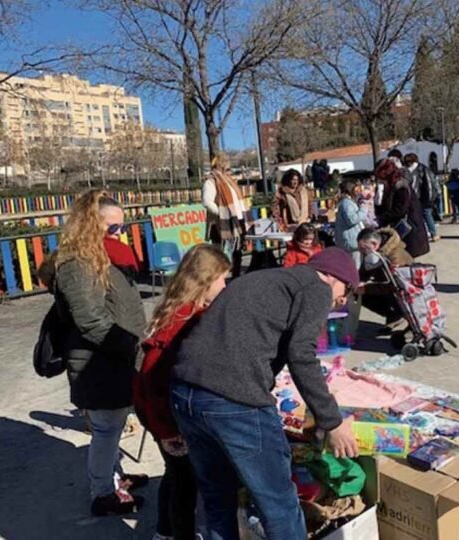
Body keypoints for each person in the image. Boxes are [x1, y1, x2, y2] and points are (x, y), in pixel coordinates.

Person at [170, 247, 360, 540]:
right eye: (346, 289)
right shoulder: (316, 288)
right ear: (333, 277)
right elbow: (302, 354)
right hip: (232, 400)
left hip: (185, 393)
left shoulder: (266, 279)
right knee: (279, 503)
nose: (343, 299)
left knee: (217, 496)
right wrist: (332, 421)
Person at [53, 190, 147, 516]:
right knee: (106, 429)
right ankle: (103, 492)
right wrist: (131, 345)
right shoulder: (76, 265)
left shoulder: (106, 256)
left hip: (116, 359)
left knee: (116, 424)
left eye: (122, 227)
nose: (120, 234)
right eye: (113, 228)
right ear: (91, 226)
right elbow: (90, 320)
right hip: (98, 363)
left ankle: (114, 475)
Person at [134, 244, 230, 540]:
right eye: (223, 279)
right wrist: (168, 431)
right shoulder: (183, 319)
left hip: (162, 412)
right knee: (185, 483)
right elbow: (153, 375)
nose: (226, 286)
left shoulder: (184, 309)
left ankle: (165, 531)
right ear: (205, 279)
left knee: (176, 476)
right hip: (166, 416)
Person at [356, 227, 413, 331]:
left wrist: (366, 288)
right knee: (357, 293)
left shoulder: (395, 256)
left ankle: (402, 317)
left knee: (366, 291)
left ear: (374, 244)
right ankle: (393, 315)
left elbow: (395, 285)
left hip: (404, 292)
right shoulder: (371, 253)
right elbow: (363, 273)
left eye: (363, 249)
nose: (362, 252)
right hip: (387, 287)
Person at [202, 154, 248, 278]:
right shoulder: (211, 182)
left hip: (236, 220)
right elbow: (207, 202)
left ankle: (236, 278)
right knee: (218, 254)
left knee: (237, 251)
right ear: (220, 167)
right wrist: (222, 213)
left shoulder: (230, 182)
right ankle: (217, 280)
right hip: (220, 222)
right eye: (227, 168)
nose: (229, 171)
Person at [375, 158, 430, 259]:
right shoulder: (390, 185)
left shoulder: (401, 186)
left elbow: (400, 210)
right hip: (401, 228)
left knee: (407, 259)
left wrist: (381, 217)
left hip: (409, 228)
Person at [403, 153, 441, 241]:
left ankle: (427, 233)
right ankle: (433, 234)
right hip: (425, 195)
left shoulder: (408, 171)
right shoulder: (423, 168)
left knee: (420, 215)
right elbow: (433, 182)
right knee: (426, 214)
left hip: (417, 196)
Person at [334, 178, 368, 267]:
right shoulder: (346, 203)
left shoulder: (348, 202)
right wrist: (363, 209)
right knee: (354, 266)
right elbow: (351, 219)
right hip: (351, 241)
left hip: (351, 240)